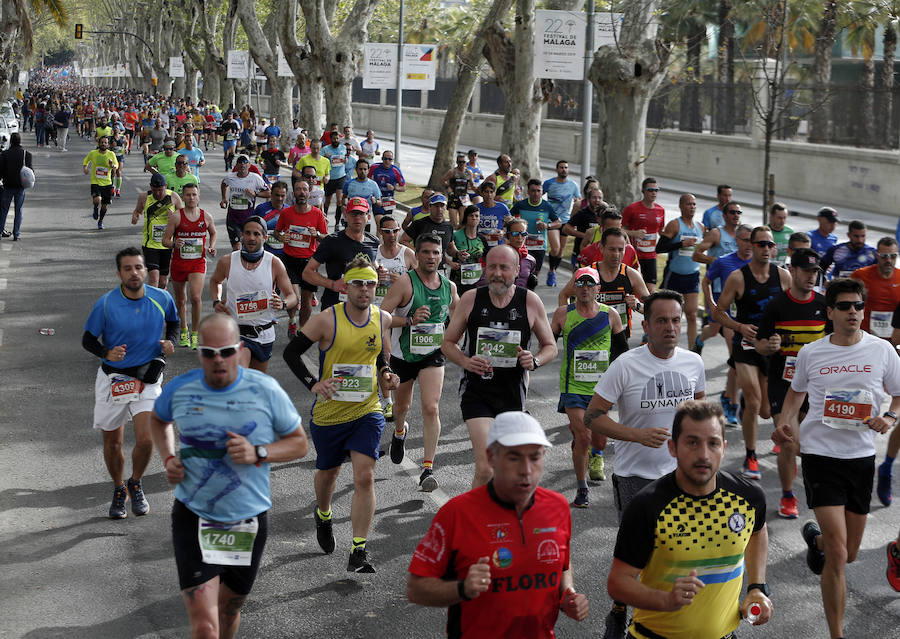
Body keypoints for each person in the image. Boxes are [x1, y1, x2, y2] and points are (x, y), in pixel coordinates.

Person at [149, 313, 308, 638]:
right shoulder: (182, 388)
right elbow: (158, 419)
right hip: (194, 515)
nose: (218, 360)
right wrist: (168, 457)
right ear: (199, 354)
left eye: (226, 351)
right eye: (210, 353)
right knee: (205, 625)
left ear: (240, 350)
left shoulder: (265, 390)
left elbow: (299, 444)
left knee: (229, 609)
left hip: (247, 519)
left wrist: (258, 452)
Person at [772, 277, 900, 639]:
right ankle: (836, 634)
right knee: (840, 556)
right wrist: (784, 424)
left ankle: (817, 543)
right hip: (820, 457)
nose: (853, 312)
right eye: (844, 306)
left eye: (858, 306)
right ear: (830, 312)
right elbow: (795, 396)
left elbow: (898, 394)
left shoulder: (882, 350)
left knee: (850, 553)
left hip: (860, 459)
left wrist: (889, 418)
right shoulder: (811, 353)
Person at [584, 289, 706, 639]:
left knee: (679, 552)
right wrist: (635, 435)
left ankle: (662, 622)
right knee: (641, 555)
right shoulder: (625, 365)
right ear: (646, 326)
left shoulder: (693, 363)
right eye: (662, 321)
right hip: (636, 477)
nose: (670, 327)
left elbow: (700, 411)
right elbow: (593, 416)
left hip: (682, 477)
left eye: (676, 320)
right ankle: (621, 607)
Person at [406, 411, 589, 637]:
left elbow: (562, 564)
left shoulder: (558, 506)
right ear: (491, 457)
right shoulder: (457, 513)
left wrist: (567, 593)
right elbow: (415, 588)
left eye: (535, 457)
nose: (526, 470)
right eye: (514, 458)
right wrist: (463, 588)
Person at [607, 400, 772, 639]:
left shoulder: (749, 498)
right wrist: (666, 600)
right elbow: (618, 583)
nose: (703, 454)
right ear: (673, 447)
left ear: (724, 447)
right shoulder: (648, 506)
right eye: (692, 442)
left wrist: (756, 587)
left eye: (713, 443)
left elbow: (757, 530)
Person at [282, 258, 400, 573]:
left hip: (367, 409)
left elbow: (379, 355)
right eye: (358, 283)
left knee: (365, 476)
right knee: (328, 474)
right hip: (330, 414)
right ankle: (323, 514)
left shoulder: (382, 318)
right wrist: (313, 383)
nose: (365, 290)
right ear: (346, 286)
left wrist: (386, 373)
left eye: (371, 284)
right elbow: (291, 352)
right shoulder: (326, 320)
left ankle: (358, 549)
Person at [442, 244, 557, 488]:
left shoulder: (530, 301)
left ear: (516, 270)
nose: (496, 273)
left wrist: (534, 360)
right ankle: (476, 512)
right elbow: (448, 344)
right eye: (491, 267)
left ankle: (497, 509)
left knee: (506, 470)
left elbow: (550, 347)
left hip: (513, 395)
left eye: (503, 267)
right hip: (477, 392)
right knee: (486, 467)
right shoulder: (471, 299)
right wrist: (466, 361)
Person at [82, 247, 179, 519]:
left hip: (147, 378)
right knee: (113, 443)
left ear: (145, 270)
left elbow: (173, 322)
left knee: (147, 439)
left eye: (138, 267)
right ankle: (118, 488)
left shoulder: (161, 297)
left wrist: (170, 342)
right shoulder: (106, 304)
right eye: (128, 268)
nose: (134, 273)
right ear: (119, 274)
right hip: (113, 378)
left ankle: (135, 482)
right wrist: (106, 352)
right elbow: (88, 339)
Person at [753, 248, 829, 520]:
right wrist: (769, 346)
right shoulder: (777, 305)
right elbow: (759, 344)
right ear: (793, 271)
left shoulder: (824, 305)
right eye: (806, 271)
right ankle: (787, 496)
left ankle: (813, 483)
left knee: (807, 445)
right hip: (783, 383)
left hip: (815, 386)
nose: (811, 277)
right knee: (787, 442)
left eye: (815, 272)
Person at [381, 234, 459, 491]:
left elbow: (459, 317)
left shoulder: (449, 287)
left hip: (432, 355)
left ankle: (427, 469)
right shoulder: (405, 283)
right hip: (404, 356)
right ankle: (399, 431)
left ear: (441, 255)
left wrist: (457, 340)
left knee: (431, 408)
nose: (431, 257)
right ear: (417, 255)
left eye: (436, 252)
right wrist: (409, 320)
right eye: (426, 252)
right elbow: (381, 316)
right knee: (402, 407)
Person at [713, 227, 790, 480]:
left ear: (774, 248)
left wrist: (784, 336)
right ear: (752, 246)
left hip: (771, 348)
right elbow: (718, 312)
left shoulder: (783, 276)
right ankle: (751, 456)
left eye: (770, 244)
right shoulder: (738, 277)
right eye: (761, 244)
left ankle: (747, 404)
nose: (766, 249)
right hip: (745, 346)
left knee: (766, 411)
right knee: (754, 402)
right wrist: (739, 327)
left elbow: (791, 311)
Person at [551, 266, 628, 507]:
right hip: (572, 387)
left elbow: (622, 352)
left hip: (601, 391)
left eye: (590, 284)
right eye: (580, 283)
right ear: (574, 287)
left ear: (598, 288)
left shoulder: (610, 315)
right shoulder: (563, 314)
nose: (585, 288)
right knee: (584, 436)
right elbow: (548, 344)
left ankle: (595, 453)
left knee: (599, 441)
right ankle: (582, 488)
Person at [209, 216, 296, 373]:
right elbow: (215, 281)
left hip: (264, 334)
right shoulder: (227, 261)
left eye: (256, 234)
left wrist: (283, 304)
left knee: (256, 382)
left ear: (265, 237)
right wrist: (216, 300)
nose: (251, 238)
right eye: (247, 233)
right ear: (242, 235)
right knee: (240, 376)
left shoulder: (274, 263)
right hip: (236, 332)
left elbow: (292, 296)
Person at [558, 227, 650, 339]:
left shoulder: (631, 275)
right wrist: (569, 323)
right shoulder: (587, 273)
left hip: (619, 339)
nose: (616, 254)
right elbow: (564, 295)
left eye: (620, 250)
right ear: (601, 248)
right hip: (589, 340)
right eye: (612, 249)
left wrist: (637, 305)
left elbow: (652, 308)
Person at [162, 182, 217, 349]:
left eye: (194, 194)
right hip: (179, 263)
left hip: (197, 263)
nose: (191, 198)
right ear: (183, 197)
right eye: (188, 195)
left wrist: (211, 246)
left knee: (195, 297)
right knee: (181, 299)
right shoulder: (176, 217)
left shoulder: (206, 216)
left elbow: (213, 232)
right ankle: (183, 329)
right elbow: (165, 240)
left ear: (198, 196)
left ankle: (194, 333)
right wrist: (174, 244)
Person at [302, 197, 381, 309]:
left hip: (362, 307)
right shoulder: (331, 241)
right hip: (335, 305)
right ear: (345, 216)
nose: (357, 218)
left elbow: (373, 264)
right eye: (353, 214)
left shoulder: (374, 241)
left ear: (368, 217)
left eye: (361, 214)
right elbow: (307, 273)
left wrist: (379, 272)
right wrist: (333, 284)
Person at [274, 179, 328, 336]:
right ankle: (292, 321)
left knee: (306, 300)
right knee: (294, 297)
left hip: (309, 262)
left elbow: (325, 237)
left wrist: (316, 234)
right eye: (298, 189)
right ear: (293, 193)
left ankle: (302, 329)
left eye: (304, 189)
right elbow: (277, 232)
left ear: (309, 193)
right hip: (289, 260)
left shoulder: (317, 214)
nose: (302, 192)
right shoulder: (286, 213)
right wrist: (281, 237)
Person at [657, 194, 704, 350]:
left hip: (693, 275)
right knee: (668, 314)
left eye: (694, 204)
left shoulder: (700, 227)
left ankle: (693, 351)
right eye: (689, 204)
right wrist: (681, 244)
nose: (692, 207)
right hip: (674, 275)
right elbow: (660, 248)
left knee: (692, 314)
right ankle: (663, 345)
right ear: (681, 206)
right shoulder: (674, 225)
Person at [131, 173, 185, 290]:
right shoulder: (144, 197)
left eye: (160, 190)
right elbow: (138, 211)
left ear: (165, 186)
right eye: (155, 190)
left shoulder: (173, 197)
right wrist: (135, 217)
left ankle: (161, 300)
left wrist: (174, 216)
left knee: (163, 282)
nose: (158, 193)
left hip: (167, 245)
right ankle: (153, 302)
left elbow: (184, 217)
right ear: (151, 187)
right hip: (150, 244)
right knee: (154, 279)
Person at [850, 237, 900, 340]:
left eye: (893, 256)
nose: (888, 260)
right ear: (877, 255)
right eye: (884, 256)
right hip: (865, 337)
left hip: (893, 338)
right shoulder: (860, 275)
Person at [622, 177, 666, 294]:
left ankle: (649, 306)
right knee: (632, 288)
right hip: (634, 254)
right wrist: (634, 233)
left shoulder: (660, 210)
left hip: (651, 256)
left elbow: (661, 231)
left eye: (656, 190)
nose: (653, 193)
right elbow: (618, 229)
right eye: (650, 190)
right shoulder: (632, 209)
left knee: (651, 290)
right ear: (643, 191)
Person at [220, 154, 270, 250]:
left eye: (245, 162)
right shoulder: (230, 177)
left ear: (249, 165)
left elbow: (268, 193)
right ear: (236, 165)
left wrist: (255, 193)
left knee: (247, 247)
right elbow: (224, 184)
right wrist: (223, 198)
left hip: (248, 218)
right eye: (240, 162)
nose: (242, 164)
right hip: (233, 218)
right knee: (237, 246)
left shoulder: (255, 178)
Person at [542, 160, 580, 287]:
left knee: (561, 251)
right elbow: (538, 195)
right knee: (556, 248)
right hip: (552, 220)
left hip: (565, 220)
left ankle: (552, 271)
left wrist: (577, 202)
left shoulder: (573, 185)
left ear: (568, 170)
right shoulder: (549, 183)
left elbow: (578, 200)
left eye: (566, 167)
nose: (564, 169)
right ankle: (552, 271)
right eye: (561, 167)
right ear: (556, 169)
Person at [512, 178, 557, 274]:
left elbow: (558, 222)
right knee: (522, 272)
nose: (536, 193)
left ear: (542, 192)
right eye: (533, 191)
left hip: (539, 246)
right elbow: (508, 217)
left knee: (535, 274)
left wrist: (547, 225)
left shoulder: (547, 206)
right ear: (528, 192)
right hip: (523, 244)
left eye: (538, 191)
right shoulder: (521, 205)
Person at [446, 205, 489, 296]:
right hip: (458, 279)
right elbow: (445, 251)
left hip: (477, 280)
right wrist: (451, 262)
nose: (474, 218)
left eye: (476, 216)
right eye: (471, 215)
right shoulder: (456, 235)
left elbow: (487, 258)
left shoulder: (481, 238)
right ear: (466, 218)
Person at [0, 133, 33, 241]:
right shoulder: (26, 154)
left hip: (7, 185)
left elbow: (0, 170)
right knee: (18, 210)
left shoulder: (4, 154)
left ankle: (0, 231)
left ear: (11, 141)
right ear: (20, 141)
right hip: (20, 186)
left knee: (4, 210)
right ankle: (16, 234)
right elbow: (30, 171)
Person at [83, 136, 119, 229]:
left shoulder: (111, 154)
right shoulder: (93, 153)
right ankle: (95, 208)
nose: (103, 144)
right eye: (102, 142)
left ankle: (100, 221)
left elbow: (116, 166)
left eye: (105, 142)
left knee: (104, 206)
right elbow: (86, 161)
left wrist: (112, 165)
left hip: (107, 183)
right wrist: (85, 168)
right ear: (99, 143)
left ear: (108, 145)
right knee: (97, 200)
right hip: (95, 181)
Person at [442, 153, 476, 228]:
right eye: (460, 162)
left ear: (466, 162)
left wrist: (478, 190)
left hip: (464, 199)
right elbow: (443, 180)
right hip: (453, 198)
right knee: (453, 223)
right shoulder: (452, 172)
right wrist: (448, 188)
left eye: (463, 162)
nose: (461, 164)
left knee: (463, 222)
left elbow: (472, 185)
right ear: (457, 162)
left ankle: (461, 234)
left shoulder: (469, 172)